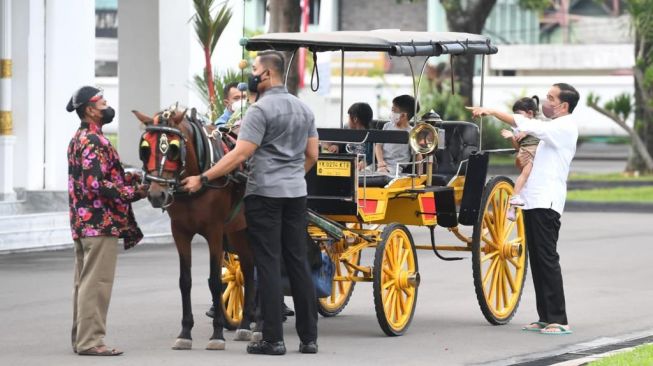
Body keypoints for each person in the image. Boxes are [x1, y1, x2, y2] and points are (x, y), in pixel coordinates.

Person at [181, 50, 319, 355]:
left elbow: (240, 154)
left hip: (265, 194)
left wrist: (203, 178)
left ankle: (273, 339)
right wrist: (293, 175)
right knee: (296, 261)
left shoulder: (260, 111)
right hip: (296, 194)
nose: (251, 75)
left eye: (254, 69)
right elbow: (312, 155)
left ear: (267, 75)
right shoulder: (303, 109)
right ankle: (309, 339)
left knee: (268, 264)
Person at [467, 82, 580, 335]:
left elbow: (527, 125)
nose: (546, 102)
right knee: (538, 260)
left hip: (546, 202)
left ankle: (559, 320)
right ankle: (545, 317)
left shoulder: (564, 126)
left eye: (551, 98)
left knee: (547, 259)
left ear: (563, 106)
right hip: (534, 199)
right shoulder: (554, 128)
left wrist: (493, 112)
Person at [66, 86, 148, 356]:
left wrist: (131, 176)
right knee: (97, 284)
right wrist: (134, 192)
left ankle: (82, 338)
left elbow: (103, 176)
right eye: (103, 102)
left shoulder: (80, 138)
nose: (107, 106)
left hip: (85, 223)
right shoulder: (93, 141)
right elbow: (97, 184)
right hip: (99, 222)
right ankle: (91, 342)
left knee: (85, 282)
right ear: (90, 109)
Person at [500, 96, 541, 221]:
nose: (516, 117)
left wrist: (526, 131)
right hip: (527, 152)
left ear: (530, 114)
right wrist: (512, 137)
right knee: (524, 175)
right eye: (515, 114)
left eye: (518, 114)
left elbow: (536, 128)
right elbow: (518, 147)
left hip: (533, 152)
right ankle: (514, 200)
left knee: (525, 180)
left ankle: (513, 207)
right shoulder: (518, 128)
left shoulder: (535, 124)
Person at [375, 95, 419, 175]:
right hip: (380, 164)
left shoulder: (412, 133)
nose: (391, 113)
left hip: (395, 168)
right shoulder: (387, 126)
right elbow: (378, 146)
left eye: (393, 111)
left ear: (403, 115)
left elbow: (417, 155)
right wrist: (380, 162)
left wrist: (420, 176)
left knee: (381, 174)